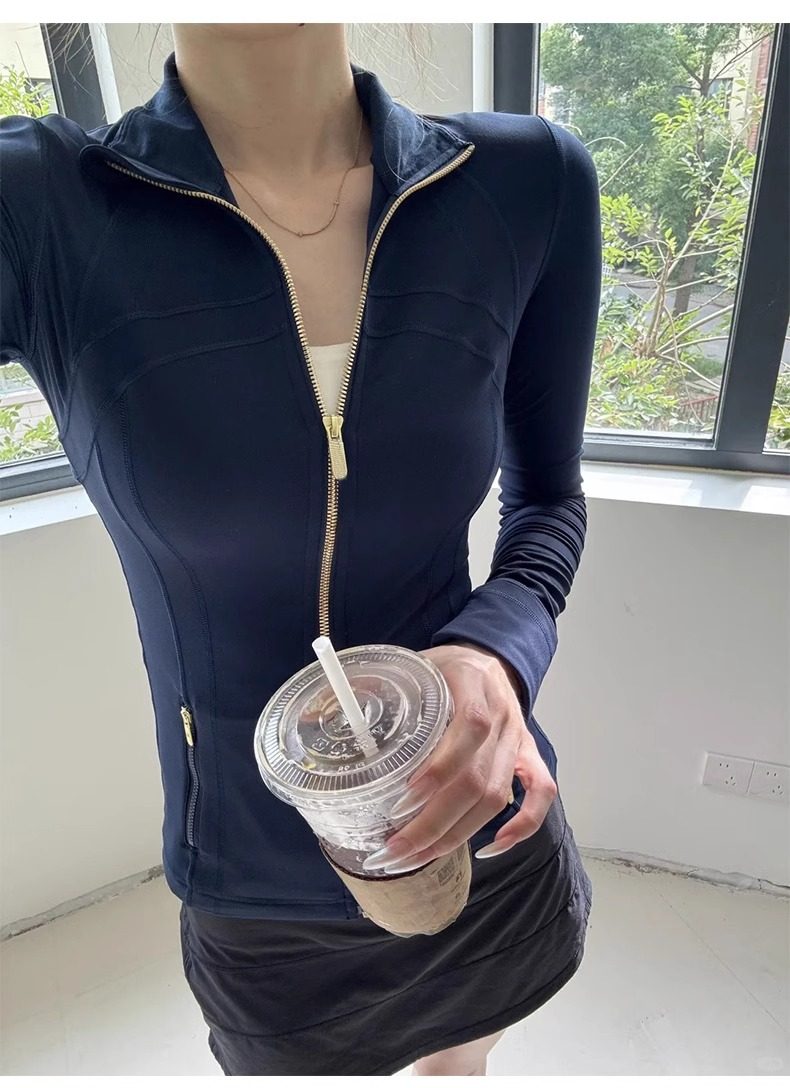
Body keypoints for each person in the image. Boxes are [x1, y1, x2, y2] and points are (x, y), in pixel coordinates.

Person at [0, 22, 601, 1076]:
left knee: (464, 1067)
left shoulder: (521, 181)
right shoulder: (40, 208)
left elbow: (546, 500)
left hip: (483, 817)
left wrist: (494, 654)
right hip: (253, 880)